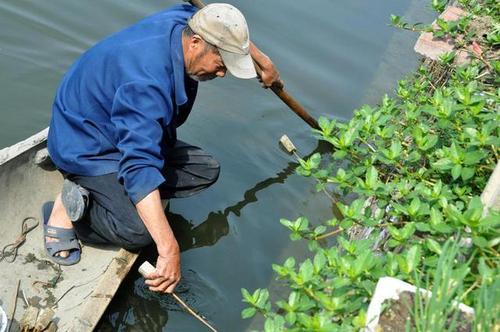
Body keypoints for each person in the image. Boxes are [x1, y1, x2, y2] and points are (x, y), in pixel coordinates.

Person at [43, 3, 281, 294]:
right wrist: (169, 248)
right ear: (195, 43)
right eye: (221, 66)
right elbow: (139, 166)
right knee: (139, 233)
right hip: (87, 145)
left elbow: (208, 15)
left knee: (205, 169)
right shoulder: (146, 84)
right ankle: (70, 209)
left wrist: (259, 59)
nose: (221, 75)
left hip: (116, 124)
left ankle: (125, 196)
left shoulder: (185, 21)